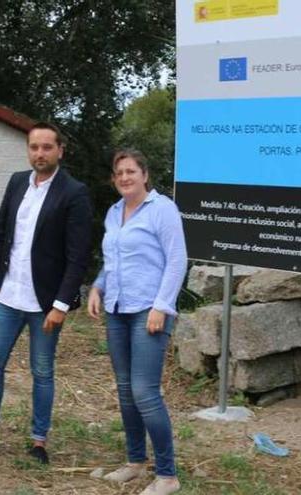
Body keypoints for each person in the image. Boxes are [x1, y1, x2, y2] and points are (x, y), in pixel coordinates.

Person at [0, 122, 92, 465]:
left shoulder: (74, 192)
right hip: (8, 295)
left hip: (45, 303)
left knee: (42, 371)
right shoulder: (17, 182)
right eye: (34, 147)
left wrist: (62, 304)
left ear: (60, 150)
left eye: (47, 147)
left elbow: (78, 256)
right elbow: (0, 233)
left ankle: (38, 441)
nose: (40, 153)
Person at [87, 149, 187, 495]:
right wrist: (98, 286)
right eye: (119, 173)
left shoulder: (162, 209)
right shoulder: (115, 212)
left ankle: (167, 475)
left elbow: (177, 261)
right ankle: (134, 462)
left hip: (149, 310)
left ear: (145, 175)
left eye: (131, 171)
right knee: (126, 391)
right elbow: (111, 259)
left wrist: (162, 306)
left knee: (145, 391)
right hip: (117, 309)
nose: (124, 177)